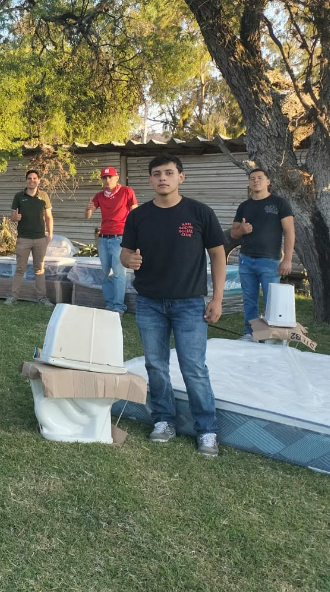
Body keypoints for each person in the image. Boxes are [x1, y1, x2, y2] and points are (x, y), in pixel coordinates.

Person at [120, 155, 226, 457]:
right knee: (155, 364)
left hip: (190, 305)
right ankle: (164, 420)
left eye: (169, 173)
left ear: (181, 177)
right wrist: (130, 260)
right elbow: (124, 254)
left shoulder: (199, 213)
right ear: (150, 180)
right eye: (156, 174)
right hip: (149, 303)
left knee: (193, 368)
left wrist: (216, 298)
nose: (162, 178)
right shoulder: (138, 216)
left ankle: (207, 430)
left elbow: (218, 256)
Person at [230, 168, 295, 340]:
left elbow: (290, 232)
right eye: (252, 178)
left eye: (259, 178)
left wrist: (287, 259)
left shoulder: (280, 203)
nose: (255, 181)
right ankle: (251, 333)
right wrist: (242, 230)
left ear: (268, 181)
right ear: (249, 183)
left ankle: (269, 336)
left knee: (271, 302)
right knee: (249, 300)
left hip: (270, 261)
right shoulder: (245, 206)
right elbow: (234, 233)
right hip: (246, 260)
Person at [85, 166, 138, 315]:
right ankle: (110, 304)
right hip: (103, 238)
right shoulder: (100, 196)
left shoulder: (127, 191)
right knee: (106, 272)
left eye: (110, 177)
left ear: (116, 178)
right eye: (104, 178)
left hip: (120, 238)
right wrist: (88, 208)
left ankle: (119, 307)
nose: (107, 180)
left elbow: (135, 212)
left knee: (119, 273)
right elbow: (88, 216)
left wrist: (134, 234)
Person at [5, 169, 53, 306]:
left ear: (38, 180)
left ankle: (42, 298)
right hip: (23, 238)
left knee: (39, 269)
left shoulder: (44, 196)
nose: (32, 181)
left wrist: (50, 234)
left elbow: (49, 217)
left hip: (40, 238)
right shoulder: (19, 196)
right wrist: (15, 217)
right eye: (29, 178)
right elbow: (12, 216)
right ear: (26, 181)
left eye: (34, 178)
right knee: (20, 268)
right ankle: (13, 297)